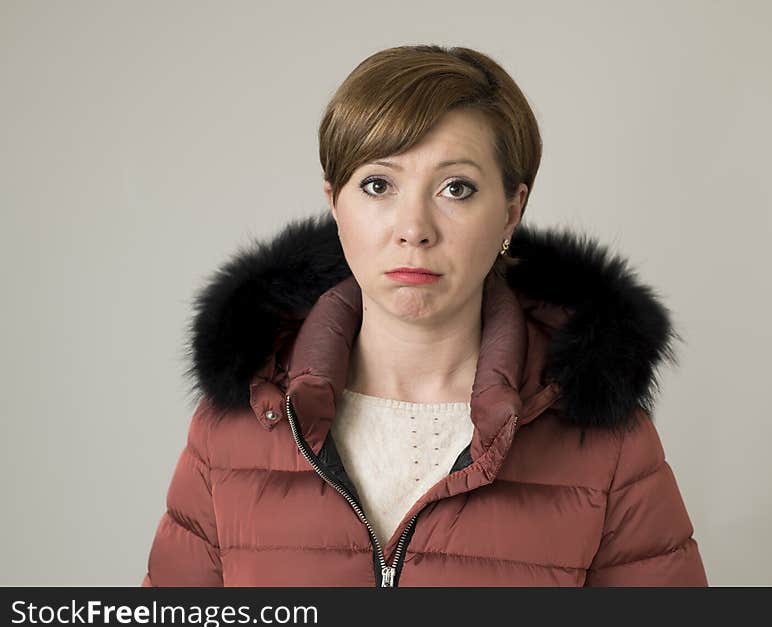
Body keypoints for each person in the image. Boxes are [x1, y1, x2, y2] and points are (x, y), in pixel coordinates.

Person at [142, 44, 708, 587]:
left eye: (456, 188)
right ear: (335, 203)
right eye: (378, 185)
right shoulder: (239, 421)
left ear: (512, 210)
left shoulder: (606, 443)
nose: (413, 228)